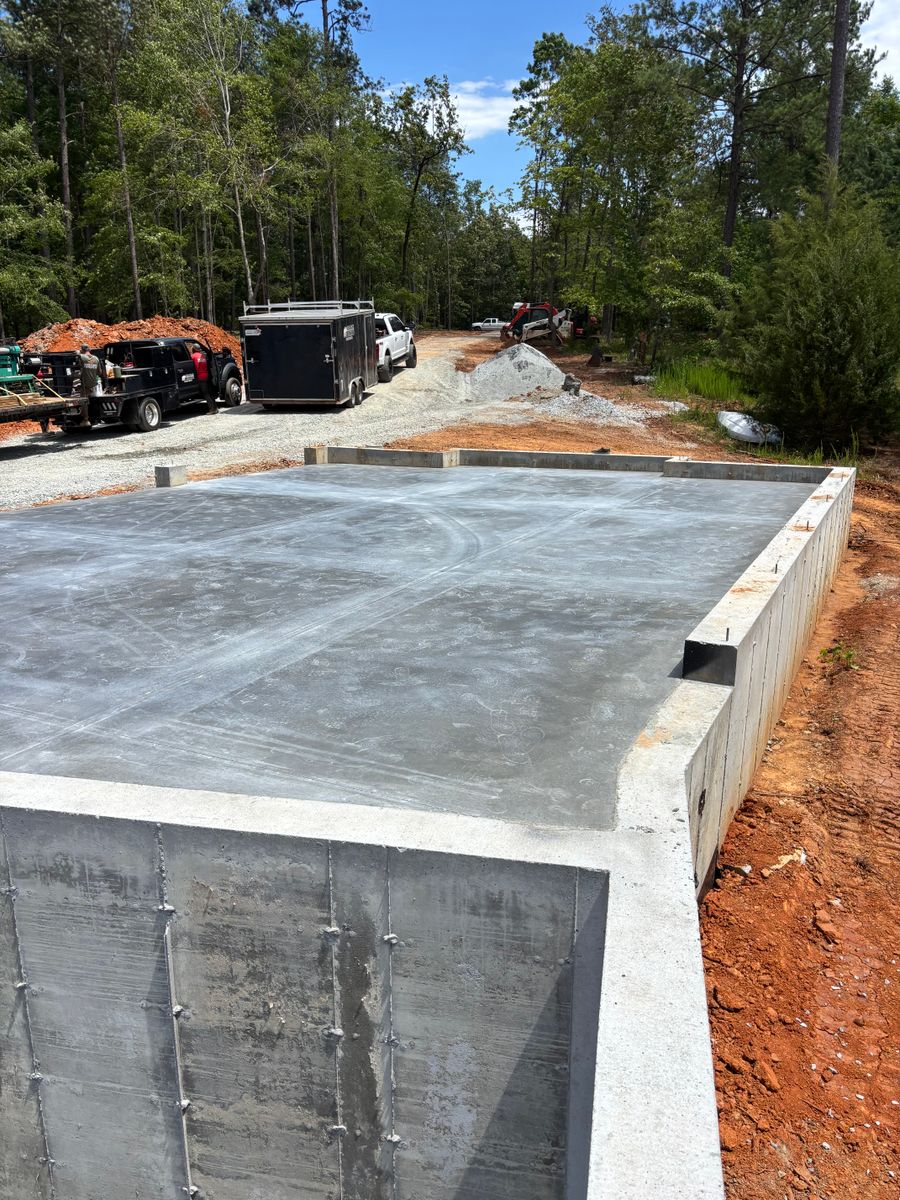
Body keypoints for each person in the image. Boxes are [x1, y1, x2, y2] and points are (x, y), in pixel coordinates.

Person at [76, 342, 102, 427]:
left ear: (82, 350)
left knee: (84, 401)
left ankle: (86, 420)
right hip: (94, 384)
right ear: (89, 350)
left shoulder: (82, 357)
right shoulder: (96, 359)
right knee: (90, 400)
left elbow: (77, 355)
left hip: (85, 384)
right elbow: (99, 372)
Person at [190, 343, 217, 414]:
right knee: (209, 392)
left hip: (200, 377)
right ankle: (215, 408)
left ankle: (212, 410)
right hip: (206, 375)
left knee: (206, 394)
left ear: (194, 349)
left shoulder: (193, 356)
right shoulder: (203, 356)